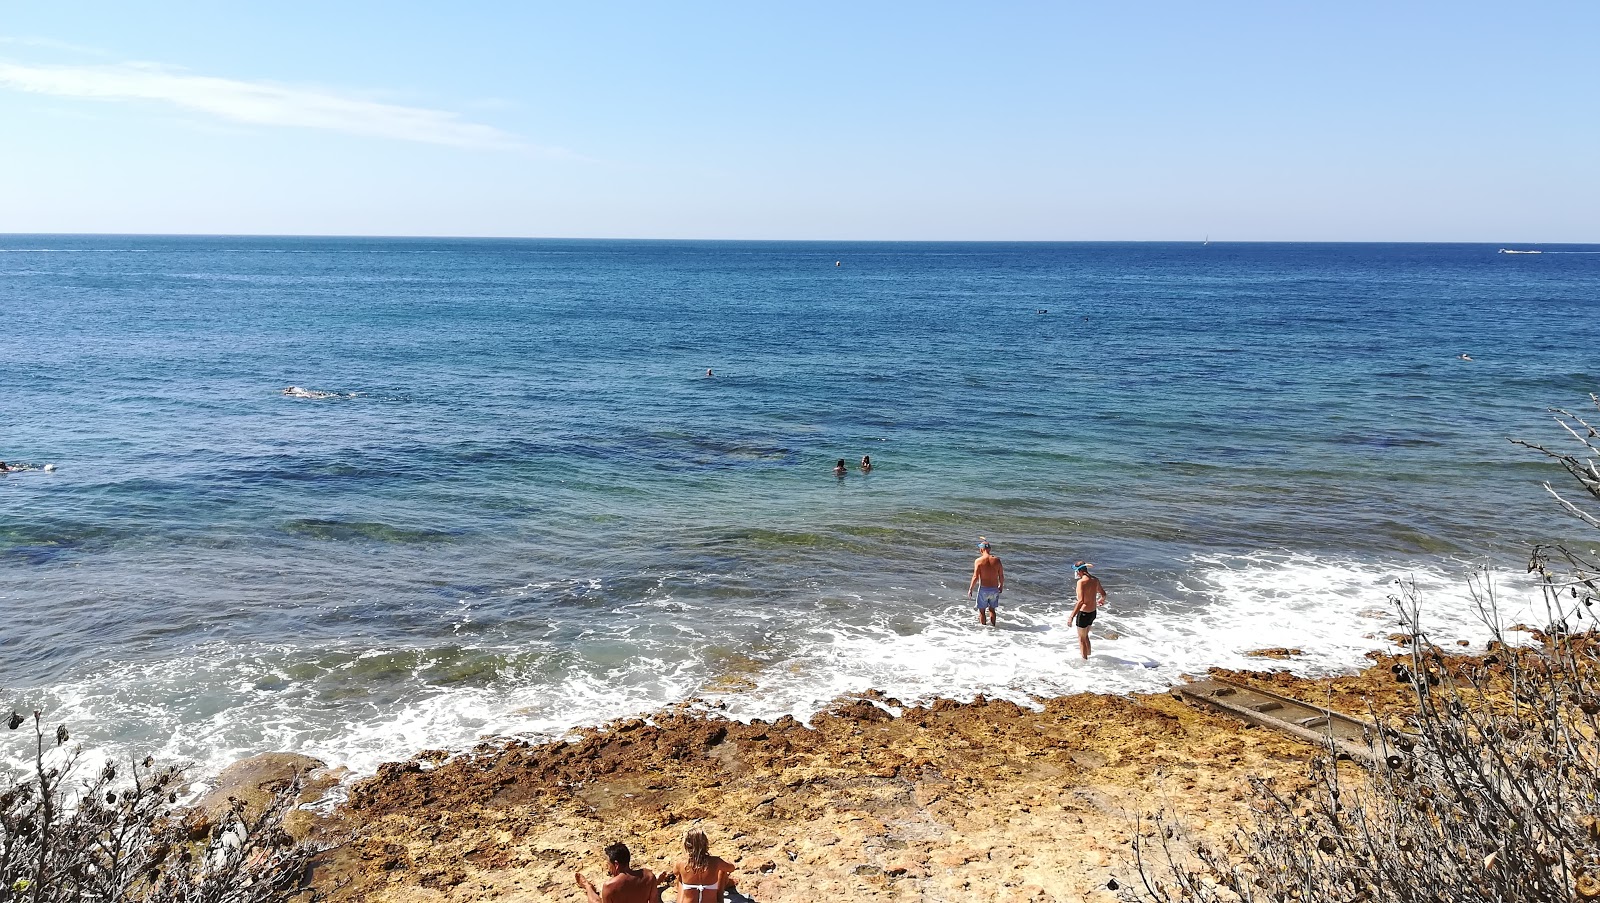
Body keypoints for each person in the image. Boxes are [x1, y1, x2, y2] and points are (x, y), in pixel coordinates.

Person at [575, 842, 659, 903]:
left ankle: (587, 886)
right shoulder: (649, 876)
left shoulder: (609, 886)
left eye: (609, 864)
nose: (608, 868)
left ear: (616, 864)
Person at [673, 830, 737, 903]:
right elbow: (732, 868)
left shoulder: (681, 863)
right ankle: (720, 898)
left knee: (680, 877)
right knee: (722, 871)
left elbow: (675, 872)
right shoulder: (716, 861)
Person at [1068, 561, 1107, 659]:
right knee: (1086, 636)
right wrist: (1101, 600)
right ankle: (1089, 655)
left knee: (1081, 639)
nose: (1076, 573)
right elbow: (1103, 593)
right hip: (1093, 612)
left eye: (1076, 571)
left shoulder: (1081, 582)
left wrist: (1071, 616)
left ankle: (1085, 662)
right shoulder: (1095, 580)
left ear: (1080, 571)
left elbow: (1081, 601)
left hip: (1084, 613)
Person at [967, 539, 1004, 627]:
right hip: (994, 589)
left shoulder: (978, 561)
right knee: (992, 610)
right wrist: (1001, 586)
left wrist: (970, 589)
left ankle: (984, 630)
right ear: (989, 549)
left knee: (982, 611)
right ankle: (993, 627)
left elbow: (975, 577)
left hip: (983, 589)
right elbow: (1001, 576)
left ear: (981, 550)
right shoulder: (997, 560)